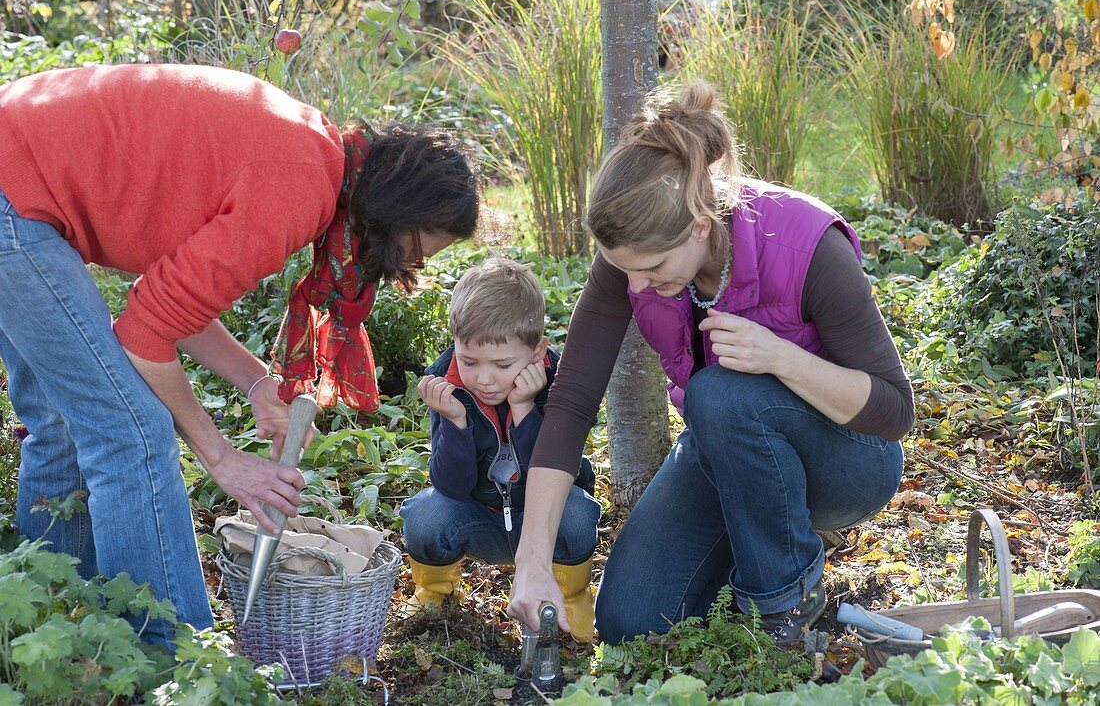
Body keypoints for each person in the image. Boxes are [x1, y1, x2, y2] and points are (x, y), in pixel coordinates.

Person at [0, 63, 480, 648]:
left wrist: (258, 383)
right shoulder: (296, 189)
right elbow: (144, 333)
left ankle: (41, 629)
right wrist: (223, 459)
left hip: (16, 168)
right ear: (398, 214)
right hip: (17, 195)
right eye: (417, 249)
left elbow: (167, 302)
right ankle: (179, 663)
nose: (412, 267)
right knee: (131, 432)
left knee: (62, 424)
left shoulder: (314, 154)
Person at [507, 82, 914, 646]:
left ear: (700, 227)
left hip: (848, 460)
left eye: (651, 270)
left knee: (719, 394)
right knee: (630, 622)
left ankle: (785, 610)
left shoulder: (806, 244)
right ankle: (757, 550)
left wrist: (779, 358)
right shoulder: (633, 258)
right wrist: (532, 560)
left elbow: (894, 412)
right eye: (625, 272)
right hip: (728, 448)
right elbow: (573, 403)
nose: (636, 286)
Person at [401, 257, 601, 641]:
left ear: (538, 350)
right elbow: (451, 486)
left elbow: (559, 469)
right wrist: (456, 424)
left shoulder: (558, 381)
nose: (484, 379)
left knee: (577, 513)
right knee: (424, 516)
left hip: (541, 520)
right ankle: (435, 594)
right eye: (469, 360)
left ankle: (571, 596)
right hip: (479, 516)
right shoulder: (447, 383)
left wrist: (525, 409)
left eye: (502, 363)